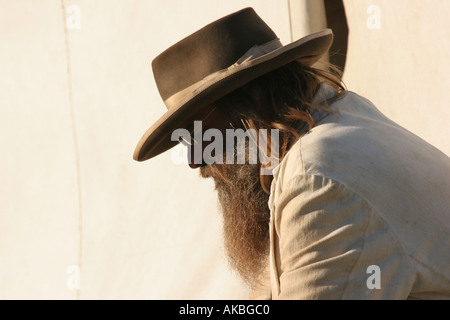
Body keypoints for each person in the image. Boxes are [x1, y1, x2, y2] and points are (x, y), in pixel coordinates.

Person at [133, 7, 450, 299]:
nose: (194, 160)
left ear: (251, 103)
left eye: (194, 133)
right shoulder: (343, 121)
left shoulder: (316, 181)